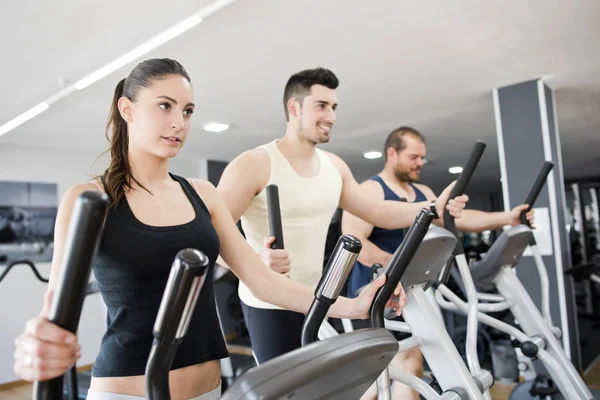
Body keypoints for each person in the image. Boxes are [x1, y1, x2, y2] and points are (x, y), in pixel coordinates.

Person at [12, 59, 404, 400]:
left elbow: (263, 282)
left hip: (209, 388)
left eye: (187, 111)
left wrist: (351, 306)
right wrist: (36, 341)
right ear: (127, 109)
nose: (179, 122)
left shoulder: (203, 194)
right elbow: (54, 309)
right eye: (165, 106)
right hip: (125, 389)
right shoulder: (89, 200)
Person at [215, 68, 468, 365]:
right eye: (321, 106)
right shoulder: (254, 164)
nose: (331, 116)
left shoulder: (334, 166)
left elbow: (377, 211)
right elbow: (211, 239)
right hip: (269, 304)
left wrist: (433, 208)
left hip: (319, 297)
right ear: (293, 108)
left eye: (333, 107)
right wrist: (257, 262)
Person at [342, 126, 535, 400]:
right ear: (392, 153)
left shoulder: (422, 192)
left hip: (414, 294)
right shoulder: (370, 191)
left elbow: (460, 219)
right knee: (398, 366)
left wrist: (507, 218)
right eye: (414, 157)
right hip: (377, 296)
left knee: (405, 365)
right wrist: (395, 268)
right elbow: (356, 244)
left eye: (423, 157)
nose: (421, 162)